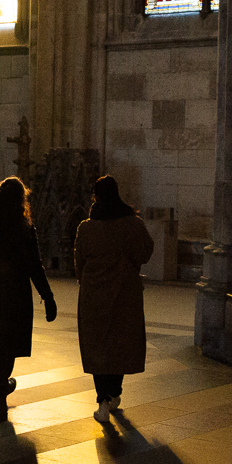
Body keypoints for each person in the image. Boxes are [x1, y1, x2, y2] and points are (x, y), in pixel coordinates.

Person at [0, 177, 56, 421]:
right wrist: (47, 296)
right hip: (17, 293)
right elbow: (35, 265)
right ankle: (2, 389)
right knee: (9, 344)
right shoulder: (24, 227)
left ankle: (0, 394)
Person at [73, 176, 155, 423]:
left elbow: (79, 263)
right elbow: (146, 252)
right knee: (121, 342)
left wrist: (88, 280)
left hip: (94, 295)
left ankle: (102, 401)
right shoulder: (134, 224)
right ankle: (114, 392)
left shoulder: (86, 228)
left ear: (96, 196)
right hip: (124, 293)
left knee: (97, 345)